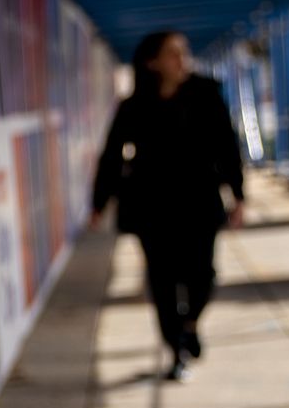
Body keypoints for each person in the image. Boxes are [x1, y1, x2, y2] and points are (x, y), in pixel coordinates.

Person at [89, 30, 245, 382]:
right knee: (162, 281)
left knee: (202, 275)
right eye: (173, 53)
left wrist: (238, 194)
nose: (182, 60)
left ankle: (189, 325)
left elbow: (227, 146)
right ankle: (176, 350)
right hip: (151, 206)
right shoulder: (133, 105)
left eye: (184, 52)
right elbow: (113, 155)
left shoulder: (206, 94)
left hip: (200, 203)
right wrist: (99, 202)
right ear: (152, 62)